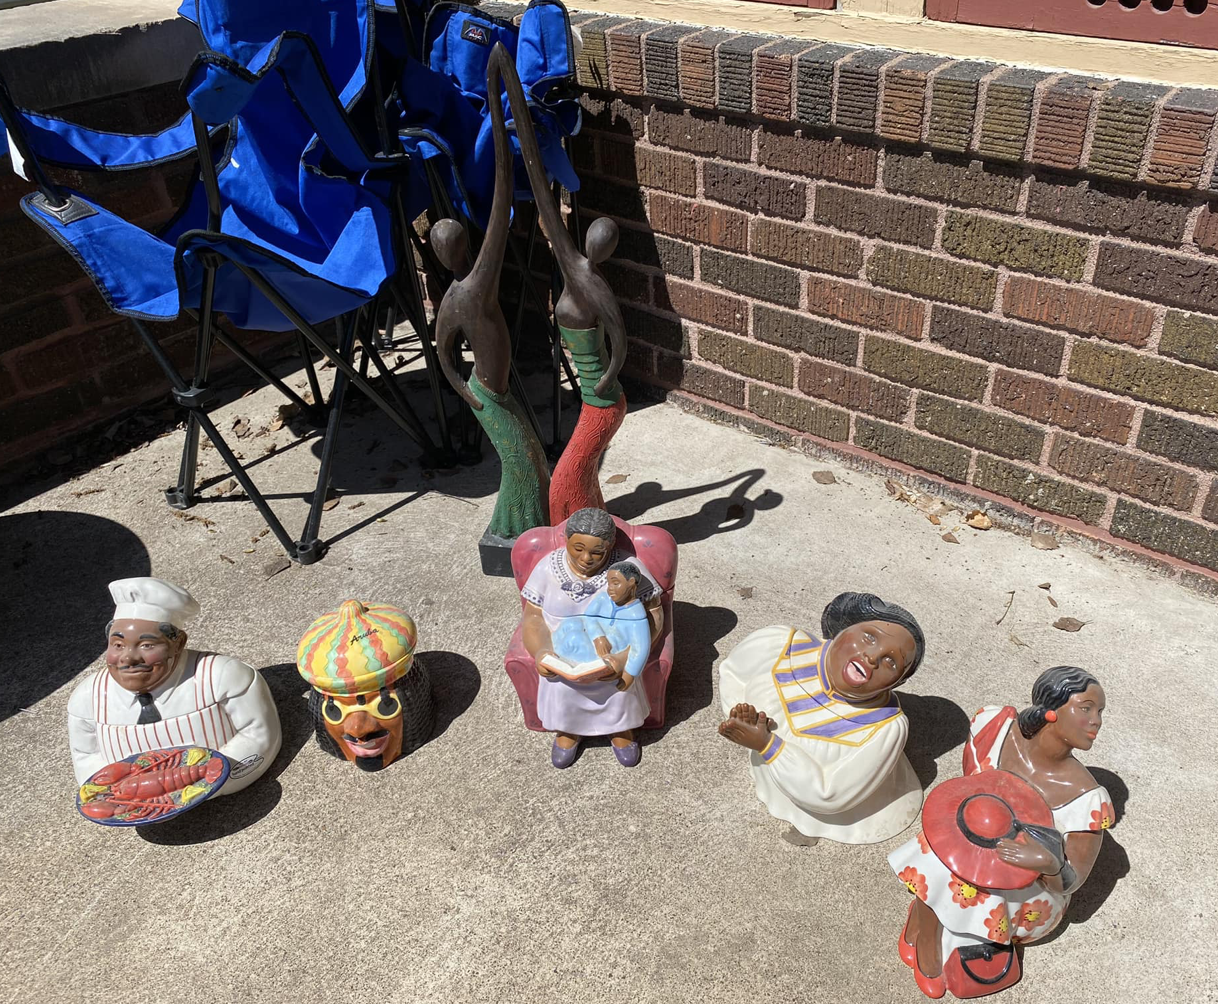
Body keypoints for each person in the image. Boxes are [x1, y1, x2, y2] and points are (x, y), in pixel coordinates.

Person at [888, 666, 1112, 999]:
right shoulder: (994, 728)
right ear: (1052, 710)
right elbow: (967, 795)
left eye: (1100, 712)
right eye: (1086, 709)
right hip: (971, 847)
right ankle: (932, 929)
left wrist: (1049, 863)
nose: (1097, 721)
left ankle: (926, 929)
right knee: (941, 852)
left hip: (1030, 889)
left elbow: (1073, 880)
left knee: (954, 876)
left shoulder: (1087, 800)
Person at [717, 592, 926, 846]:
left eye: (891, 662)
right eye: (869, 637)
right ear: (844, 628)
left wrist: (768, 745)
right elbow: (734, 673)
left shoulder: (884, 729)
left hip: (836, 814)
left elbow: (833, 795)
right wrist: (739, 715)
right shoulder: (782, 647)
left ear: (896, 682)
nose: (873, 657)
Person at [67, 577, 281, 796]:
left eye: (146, 645)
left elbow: (257, 735)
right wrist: (110, 795)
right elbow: (86, 756)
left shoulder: (222, 677)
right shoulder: (89, 698)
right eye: (118, 645)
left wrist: (209, 785)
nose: (128, 658)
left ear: (178, 643)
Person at [520, 509, 663, 768]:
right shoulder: (548, 567)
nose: (586, 559)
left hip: (613, 656)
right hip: (563, 656)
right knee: (561, 683)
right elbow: (533, 618)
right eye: (578, 549)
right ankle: (568, 728)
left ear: (610, 546)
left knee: (619, 685)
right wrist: (540, 650)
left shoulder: (626, 569)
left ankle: (620, 728)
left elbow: (653, 615)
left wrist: (625, 658)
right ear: (566, 540)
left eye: (597, 552)